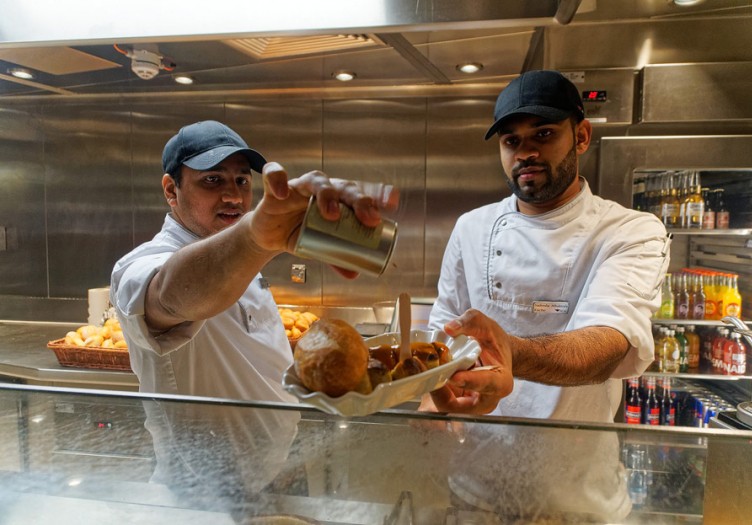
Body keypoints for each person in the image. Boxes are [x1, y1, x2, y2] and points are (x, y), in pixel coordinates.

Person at [109, 120, 395, 518]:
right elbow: (171, 295)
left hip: (279, 474)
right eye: (212, 180)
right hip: (204, 494)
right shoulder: (141, 265)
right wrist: (256, 237)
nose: (233, 195)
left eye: (242, 180)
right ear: (171, 190)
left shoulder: (244, 254)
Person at [426, 70, 671, 422]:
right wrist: (431, 408)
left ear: (581, 136)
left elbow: (607, 346)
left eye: (543, 134)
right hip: (474, 445)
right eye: (511, 141)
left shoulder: (630, 231)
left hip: (573, 452)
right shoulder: (471, 227)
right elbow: (443, 333)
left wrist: (507, 352)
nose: (525, 152)